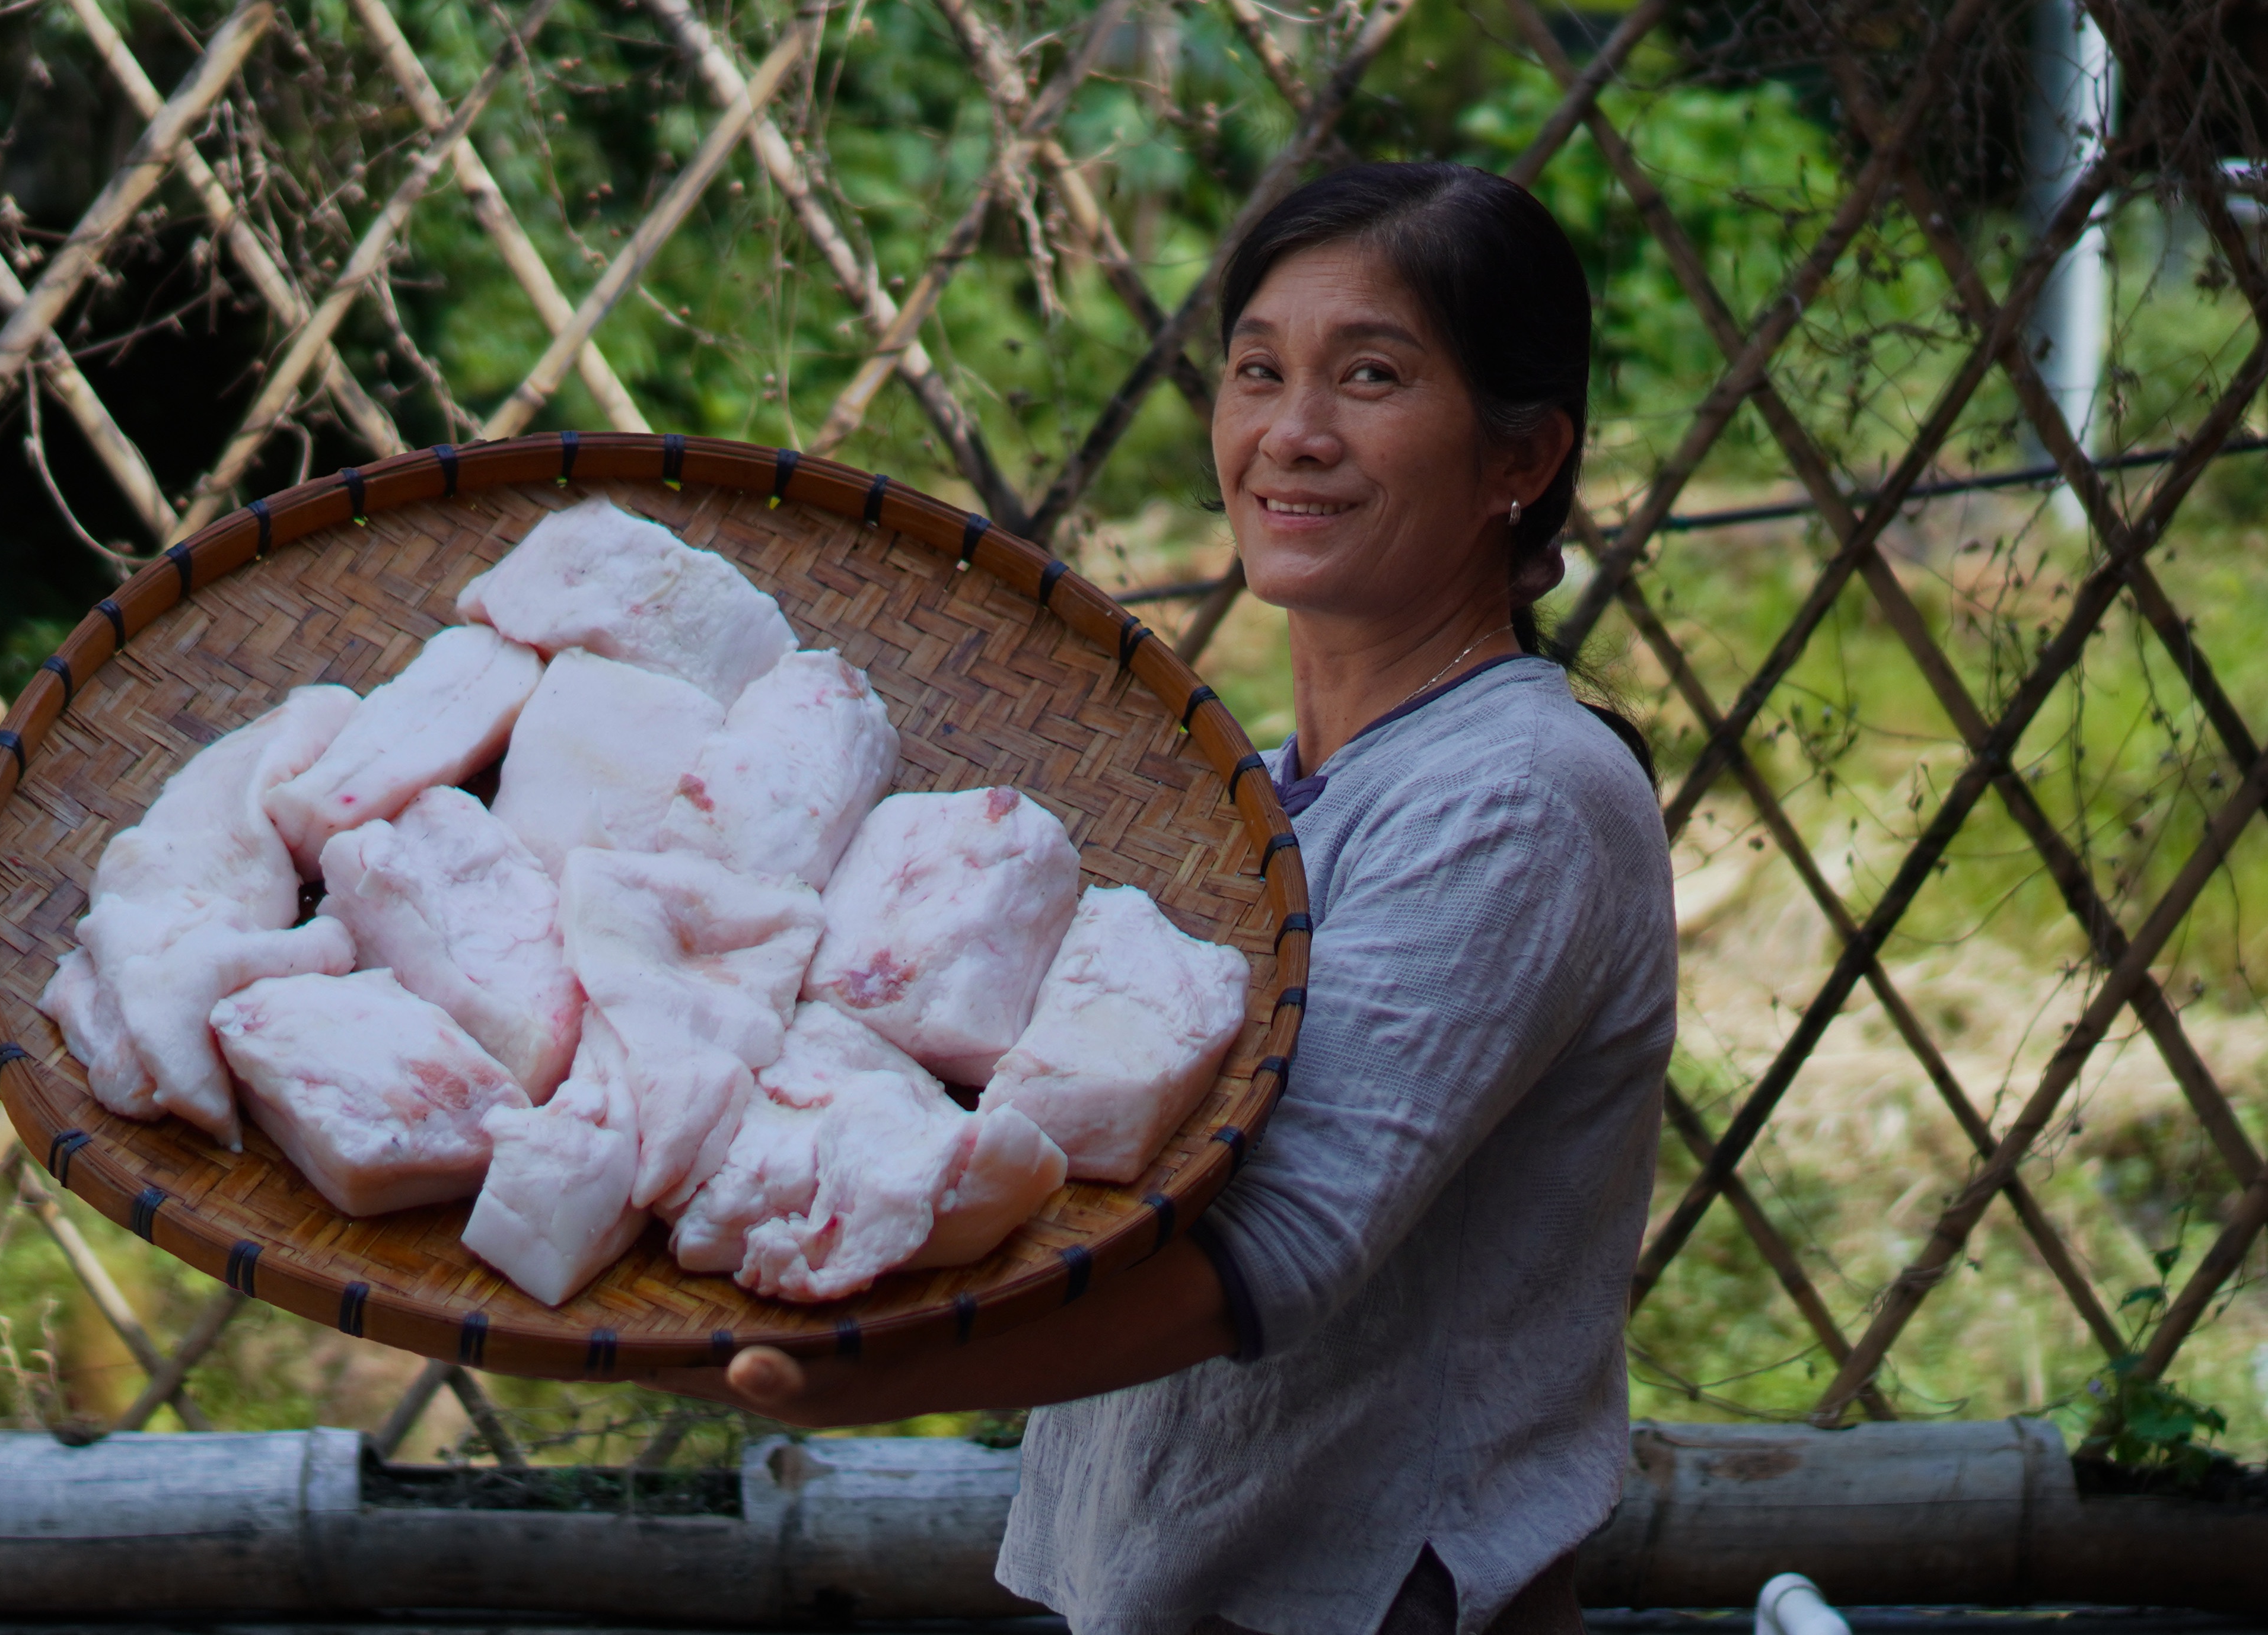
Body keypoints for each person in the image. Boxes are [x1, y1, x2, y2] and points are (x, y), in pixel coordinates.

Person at [650, 161, 1677, 1635]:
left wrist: (860, 1371)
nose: (1292, 433)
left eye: (1370, 376)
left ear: (1523, 455)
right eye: (1258, 372)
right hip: (1160, 1588)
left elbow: (1271, 1248)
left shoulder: (1518, 792)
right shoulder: (1251, 801)